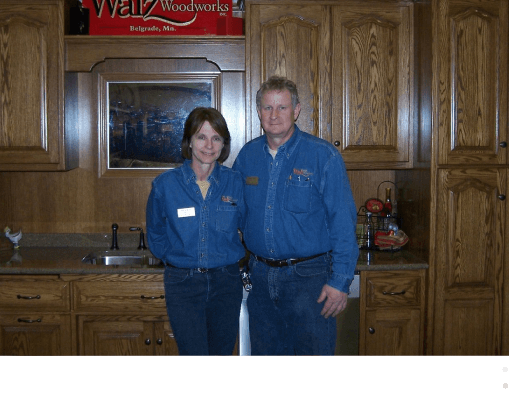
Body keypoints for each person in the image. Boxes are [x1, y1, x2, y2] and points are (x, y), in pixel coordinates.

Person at [233, 77, 359, 355]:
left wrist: (340, 282)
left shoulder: (323, 156)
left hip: (309, 280)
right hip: (261, 279)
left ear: (297, 110)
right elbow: (235, 213)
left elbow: (343, 222)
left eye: (282, 107)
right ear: (258, 112)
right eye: (267, 108)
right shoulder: (247, 157)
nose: (274, 115)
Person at [146, 107, 246, 355]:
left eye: (216, 138)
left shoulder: (235, 182)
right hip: (183, 284)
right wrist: (174, 258)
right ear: (189, 141)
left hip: (226, 283)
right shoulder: (165, 185)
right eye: (201, 137)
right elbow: (156, 233)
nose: (209, 145)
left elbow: (248, 226)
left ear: (224, 144)